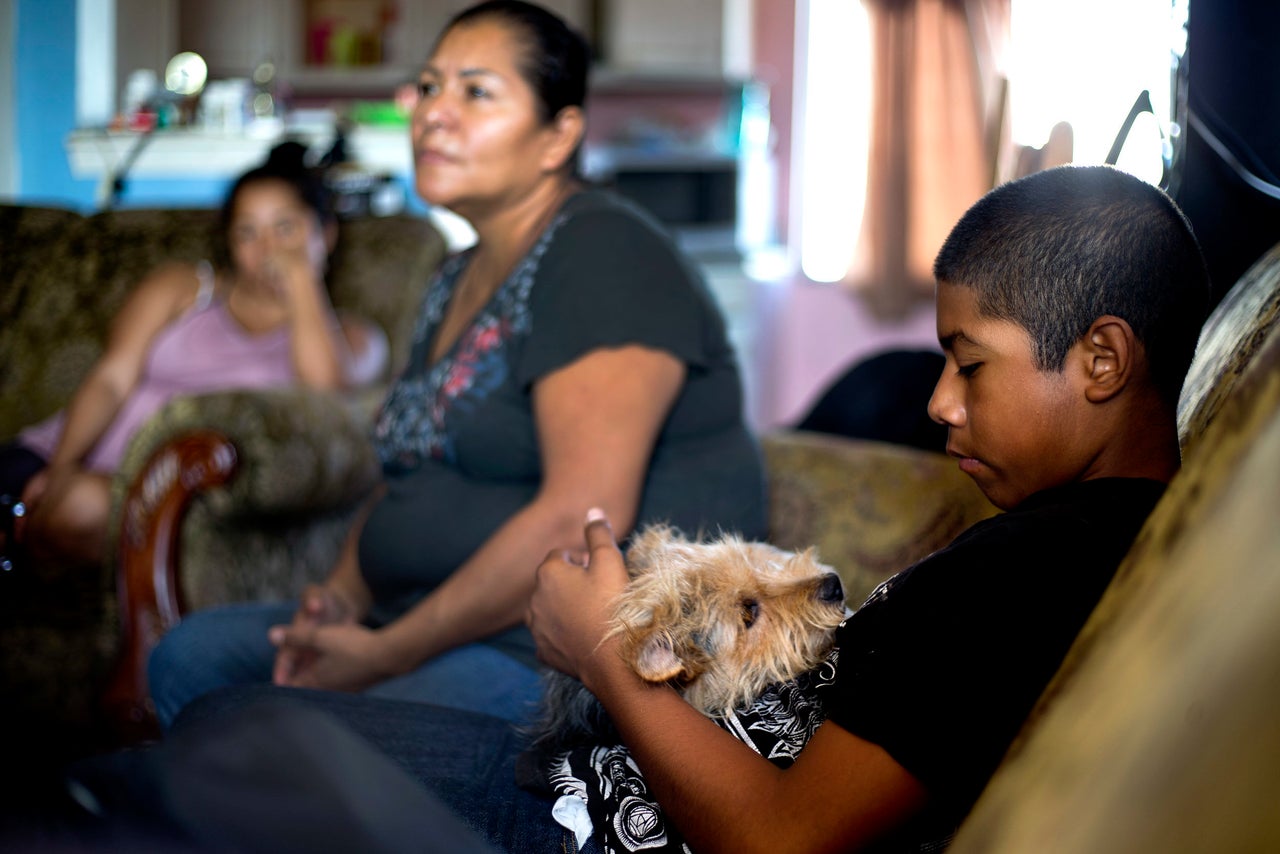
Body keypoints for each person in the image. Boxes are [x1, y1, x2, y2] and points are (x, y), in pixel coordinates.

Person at [37, 164, 1211, 854]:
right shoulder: (1073, 539)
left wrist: (598, 648)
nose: (935, 399)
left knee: (238, 740)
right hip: (583, 778)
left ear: (1100, 358)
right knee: (225, 723)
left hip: (583, 824)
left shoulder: (1032, 567)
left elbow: (781, 838)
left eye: (970, 361)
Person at [146, 0, 767, 729]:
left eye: (475, 92)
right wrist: (343, 595)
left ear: (557, 134)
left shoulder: (603, 253)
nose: (433, 114)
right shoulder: (456, 274)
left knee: (326, 732)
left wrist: (385, 655)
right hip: (415, 620)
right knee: (189, 657)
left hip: (550, 654)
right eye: (430, 87)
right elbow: (413, 467)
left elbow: (579, 515)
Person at [0, 141, 388, 570]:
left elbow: (325, 398)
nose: (267, 251)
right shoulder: (184, 287)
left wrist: (301, 281)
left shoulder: (356, 340)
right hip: (51, 460)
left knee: (84, 507)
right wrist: (58, 470)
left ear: (326, 234)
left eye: (286, 229)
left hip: (153, 500)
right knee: (71, 500)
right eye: (247, 232)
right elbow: (110, 380)